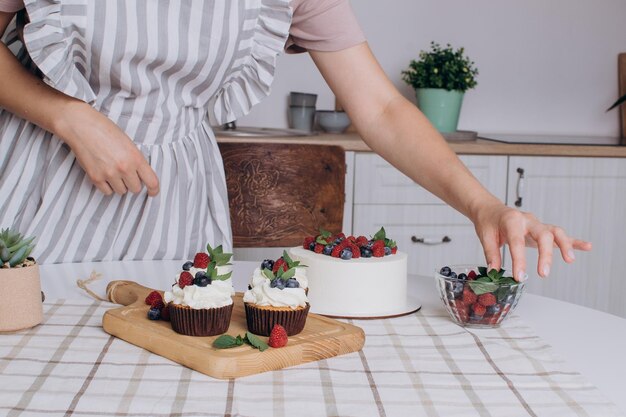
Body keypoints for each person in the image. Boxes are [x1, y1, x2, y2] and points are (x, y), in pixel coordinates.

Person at [0, 0, 590, 281]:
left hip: (171, 206)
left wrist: (482, 203)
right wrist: (69, 116)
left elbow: (381, 108)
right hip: (41, 180)